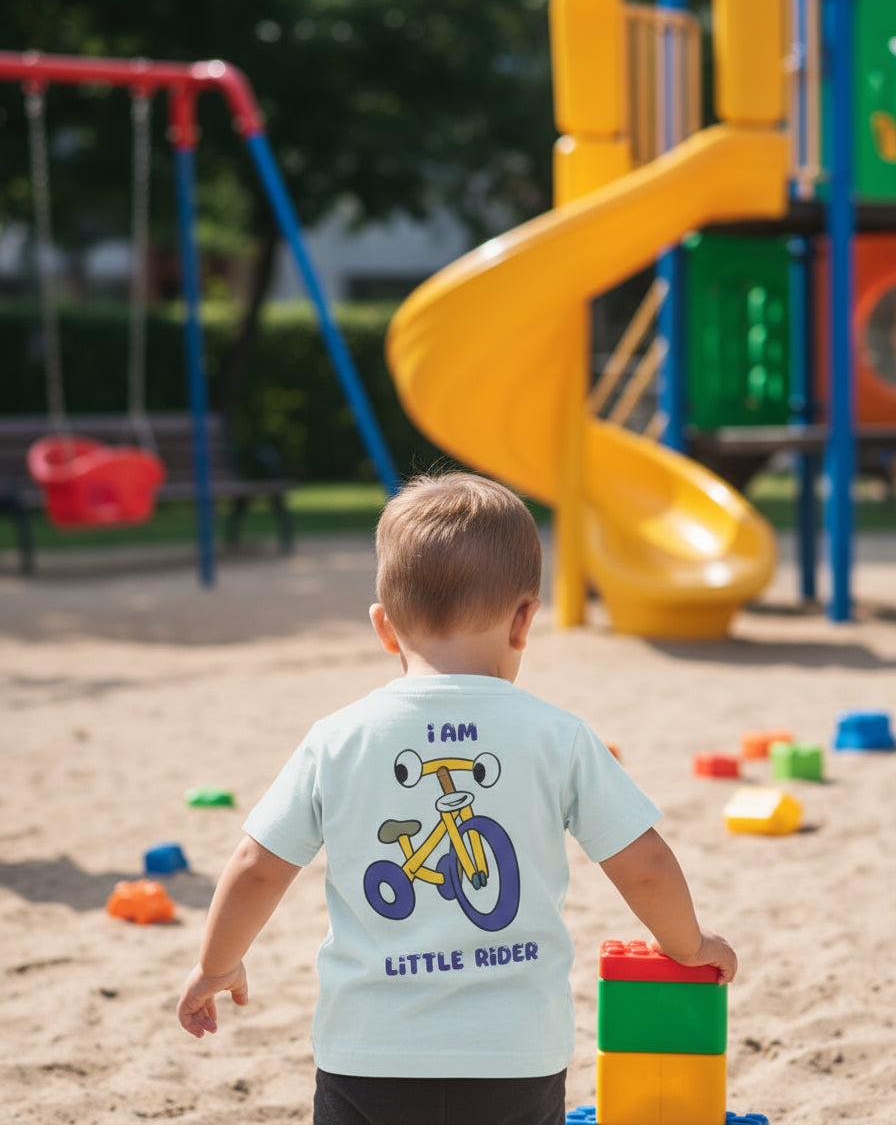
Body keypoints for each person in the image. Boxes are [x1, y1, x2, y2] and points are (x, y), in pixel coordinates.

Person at [177, 471, 737, 1125]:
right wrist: (688, 944)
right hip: (514, 1057)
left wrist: (217, 964)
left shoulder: (337, 739)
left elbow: (257, 865)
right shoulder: (559, 737)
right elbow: (642, 865)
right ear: (524, 619)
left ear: (385, 629)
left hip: (369, 1054)